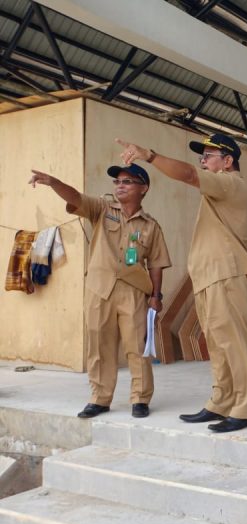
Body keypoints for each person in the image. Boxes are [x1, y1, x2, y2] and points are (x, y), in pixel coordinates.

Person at [115, 134, 247, 434]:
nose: (203, 161)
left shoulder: (231, 183)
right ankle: (221, 402)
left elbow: (190, 175)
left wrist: (150, 155)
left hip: (225, 274)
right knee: (218, 343)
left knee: (234, 342)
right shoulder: (218, 191)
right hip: (210, 276)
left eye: (209, 155)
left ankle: (245, 408)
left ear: (228, 161)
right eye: (201, 156)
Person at [29, 164, 170, 419]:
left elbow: (157, 264)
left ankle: (140, 398)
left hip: (134, 291)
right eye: (117, 181)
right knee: (99, 346)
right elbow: (75, 198)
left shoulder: (151, 226)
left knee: (137, 347)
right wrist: (54, 182)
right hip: (99, 289)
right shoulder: (102, 209)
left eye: (127, 181)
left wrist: (156, 297)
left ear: (143, 188)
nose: (119, 185)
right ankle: (100, 398)